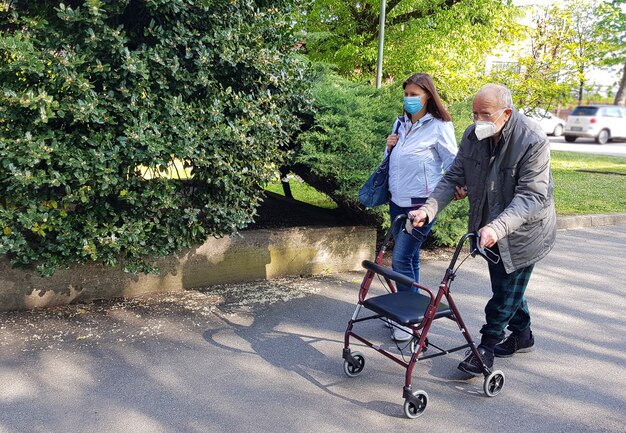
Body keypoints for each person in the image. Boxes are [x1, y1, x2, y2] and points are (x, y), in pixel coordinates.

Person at [408, 84, 557, 375]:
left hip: (526, 231)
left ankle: (487, 346)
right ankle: (523, 336)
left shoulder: (532, 139)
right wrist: (428, 209)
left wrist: (497, 228)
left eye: (485, 114)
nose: (478, 120)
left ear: (506, 113)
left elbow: (531, 196)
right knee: (507, 286)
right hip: (488, 228)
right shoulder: (473, 135)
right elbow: (452, 178)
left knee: (504, 291)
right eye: (475, 113)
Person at [385, 73, 458, 342]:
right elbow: (393, 162)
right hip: (397, 200)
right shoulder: (400, 123)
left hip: (421, 205)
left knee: (401, 258)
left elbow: (453, 164)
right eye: (406, 94)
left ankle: (407, 321)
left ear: (428, 95)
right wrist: (389, 147)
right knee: (411, 258)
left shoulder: (440, 126)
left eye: (414, 94)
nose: (409, 99)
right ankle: (411, 312)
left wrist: (459, 187)